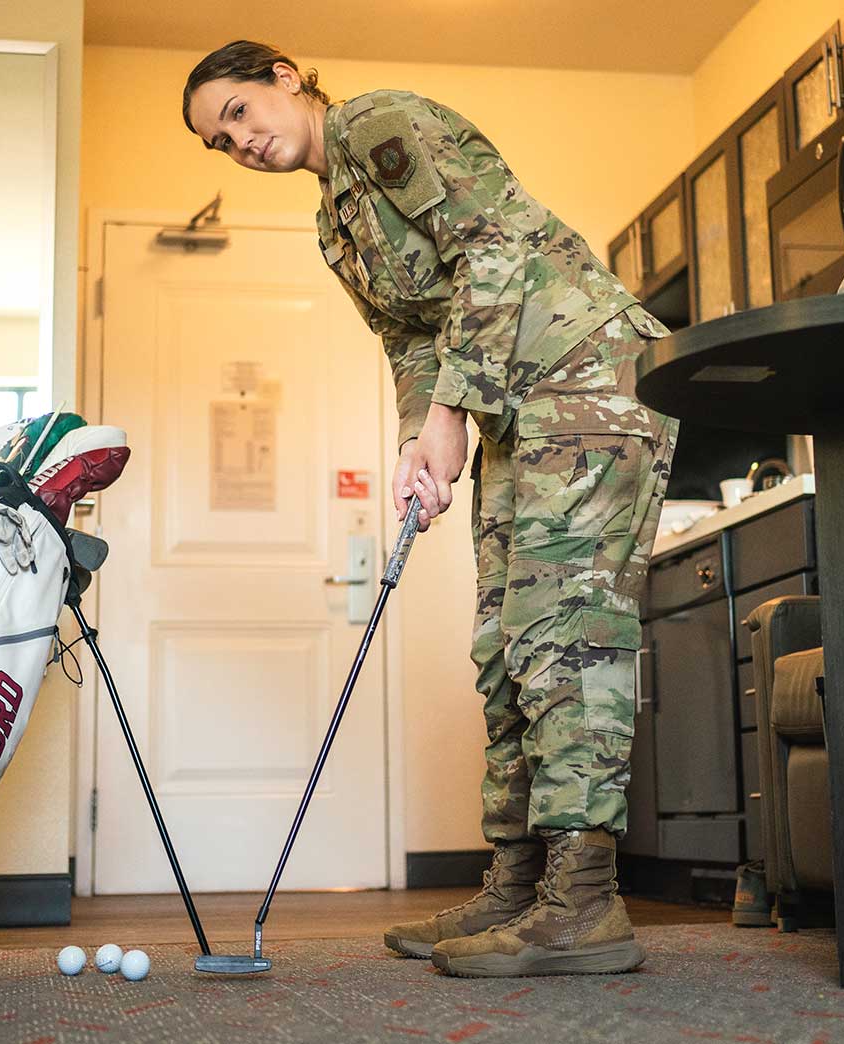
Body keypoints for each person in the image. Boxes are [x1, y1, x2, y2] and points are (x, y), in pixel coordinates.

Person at [184, 41, 679, 978]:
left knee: (562, 631)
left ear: (287, 77)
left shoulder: (380, 124)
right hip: (512, 410)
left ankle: (583, 903)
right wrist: (423, 440)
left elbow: (492, 247)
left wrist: (454, 411)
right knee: (504, 641)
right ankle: (517, 883)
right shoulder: (334, 228)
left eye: (241, 111)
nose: (239, 142)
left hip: (590, 381)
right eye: (221, 141)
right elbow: (410, 341)